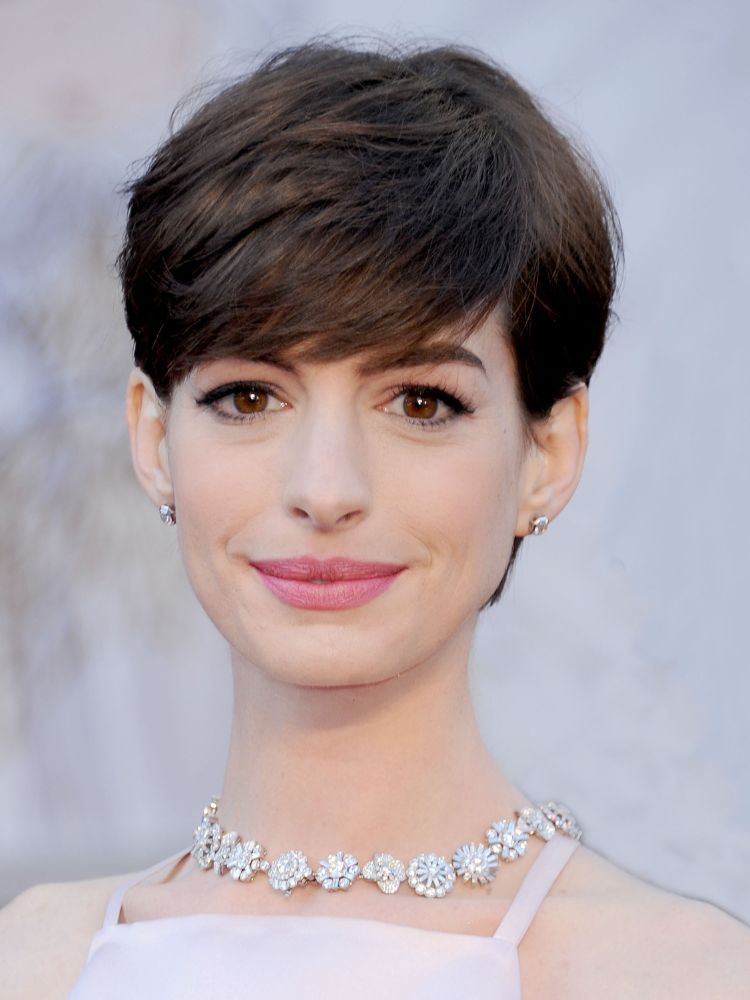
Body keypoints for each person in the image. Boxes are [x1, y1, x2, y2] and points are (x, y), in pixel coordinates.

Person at [2, 39, 748, 1000]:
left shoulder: (680, 977)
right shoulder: (35, 962)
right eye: (248, 397)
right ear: (153, 438)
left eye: (421, 403)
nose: (325, 488)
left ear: (547, 455)